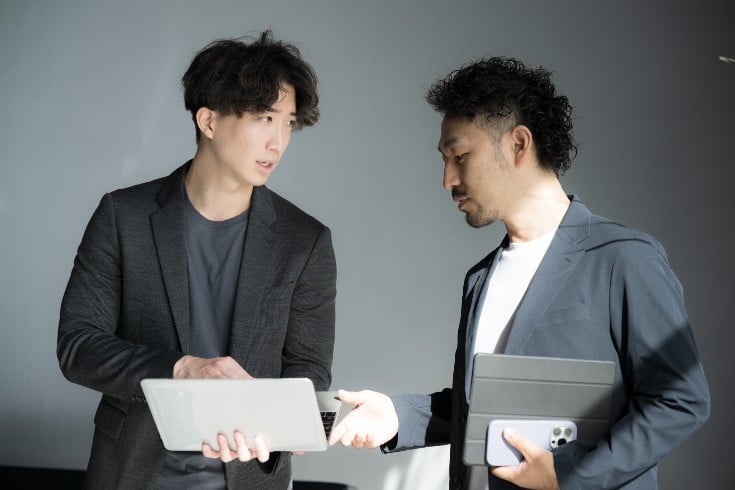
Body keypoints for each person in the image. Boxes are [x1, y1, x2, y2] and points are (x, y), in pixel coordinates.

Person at [328, 57, 710, 489]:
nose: (447, 178)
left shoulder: (623, 258)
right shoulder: (480, 278)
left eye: (460, 155)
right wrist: (399, 415)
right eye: (445, 160)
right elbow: (487, 410)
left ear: (518, 144)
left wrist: (569, 473)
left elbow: (680, 400)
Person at [57, 31, 336, 490]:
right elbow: (78, 346)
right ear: (208, 121)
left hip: (250, 475)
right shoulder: (123, 216)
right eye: (265, 118)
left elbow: (309, 367)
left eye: (288, 123)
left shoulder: (304, 240)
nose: (279, 141)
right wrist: (182, 368)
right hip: (132, 473)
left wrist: (275, 422)